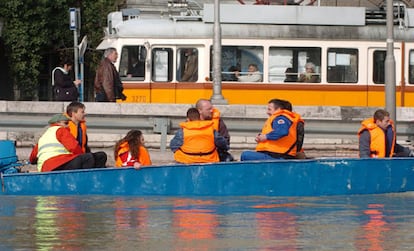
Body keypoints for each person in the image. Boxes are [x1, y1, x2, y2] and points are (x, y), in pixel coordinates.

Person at [29, 114, 103, 172]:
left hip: (46, 168)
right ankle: (88, 184)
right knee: (95, 157)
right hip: (59, 164)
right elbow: (74, 147)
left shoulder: (43, 137)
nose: (68, 126)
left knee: (92, 157)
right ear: (57, 123)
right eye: (66, 123)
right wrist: (83, 157)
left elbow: (32, 158)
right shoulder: (61, 130)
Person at [65, 101, 107, 167]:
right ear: (73, 113)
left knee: (101, 156)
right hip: (70, 158)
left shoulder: (81, 126)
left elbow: (85, 145)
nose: (85, 114)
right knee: (88, 157)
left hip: (82, 155)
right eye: (82, 112)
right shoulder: (65, 126)